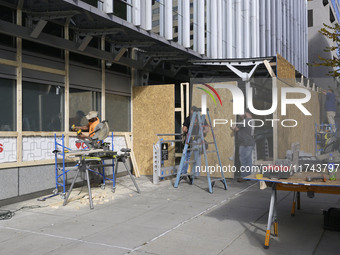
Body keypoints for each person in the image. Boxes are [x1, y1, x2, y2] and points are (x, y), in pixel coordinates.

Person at [181, 106, 209, 178]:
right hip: (194, 139)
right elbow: (206, 129)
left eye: (192, 111)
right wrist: (200, 133)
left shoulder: (190, 118)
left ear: (191, 111)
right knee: (195, 157)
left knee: (188, 156)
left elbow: (184, 129)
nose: (191, 112)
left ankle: (184, 173)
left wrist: (196, 133)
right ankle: (195, 174)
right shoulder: (198, 118)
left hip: (193, 139)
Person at [230, 109, 255, 182]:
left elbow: (236, 129)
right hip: (249, 143)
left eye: (241, 114)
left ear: (246, 113)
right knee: (248, 160)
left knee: (243, 160)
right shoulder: (252, 120)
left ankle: (244, 176)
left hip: (245, 144)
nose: (240, 116)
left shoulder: (246, 121)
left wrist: (232, 127)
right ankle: (248, 176)